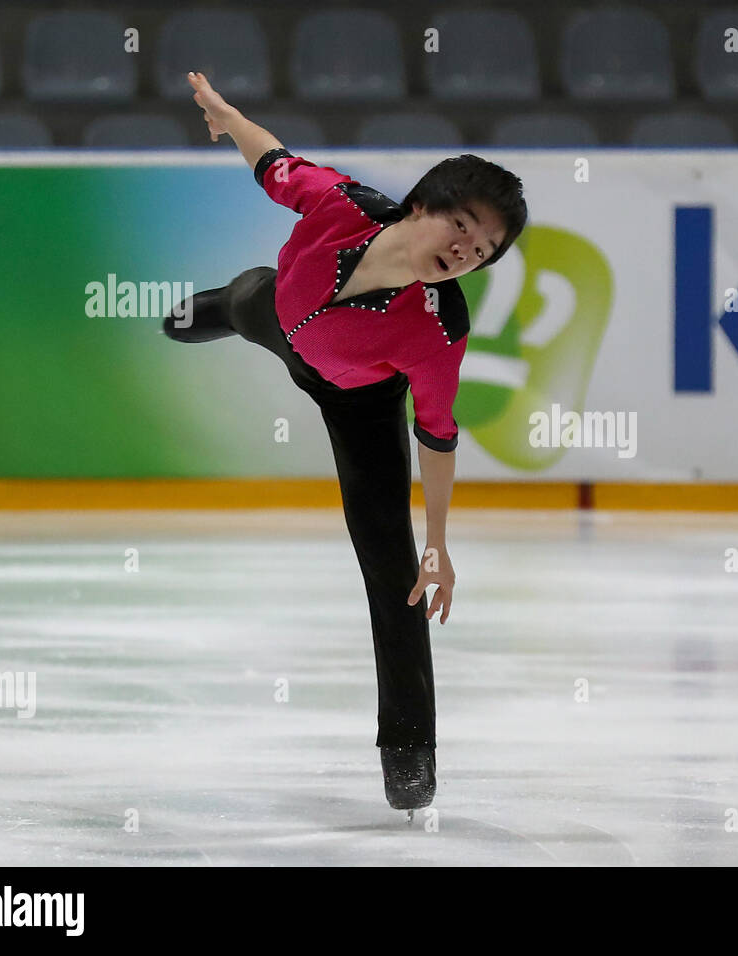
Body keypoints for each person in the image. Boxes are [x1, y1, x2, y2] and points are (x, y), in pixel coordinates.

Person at [163, 71, 528, 815]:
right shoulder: (340, 204)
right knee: (243, 298)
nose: (466, 252)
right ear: (421, 205)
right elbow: (275, 161)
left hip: (359, 402)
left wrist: (438, 540)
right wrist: (231, 117)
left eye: (484, 250)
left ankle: (409, 752)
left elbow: (436, 431)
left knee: (393, 573)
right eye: (462, 227)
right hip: (284, 313)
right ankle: (218, 302)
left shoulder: (439, 327)